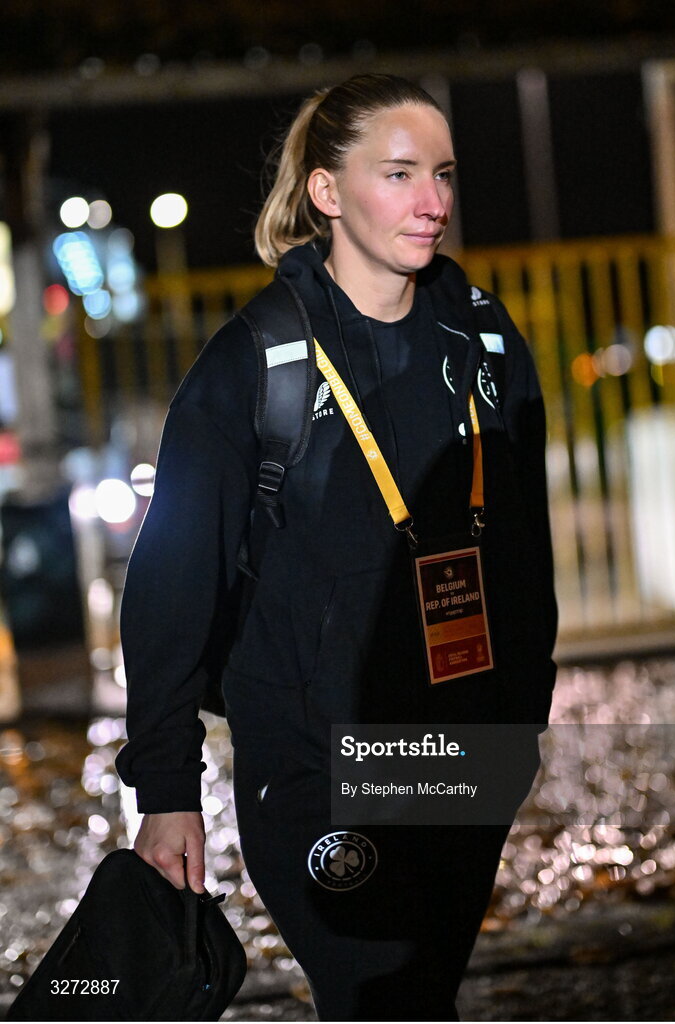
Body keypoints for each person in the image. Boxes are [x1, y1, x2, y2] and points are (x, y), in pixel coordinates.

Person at [115, 73, 558, 1021]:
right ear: (327, 191)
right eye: (398, 174)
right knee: (378, 992)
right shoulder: (256, 363)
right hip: (317, 763)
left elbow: (527, 548)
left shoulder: (482, 340)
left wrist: (524, 708)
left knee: (424, 991)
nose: (432, 202)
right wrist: (167, 788)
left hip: (462, 747)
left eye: (440, 174)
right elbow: (170, 587)